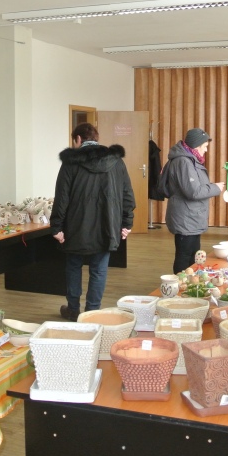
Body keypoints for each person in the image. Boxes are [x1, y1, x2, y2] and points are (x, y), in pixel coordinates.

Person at [50, 123, 135, 321]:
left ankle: (73, 310)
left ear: (78, 139)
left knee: (73, 267)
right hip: (107, 226)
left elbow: (62, 198)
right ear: (96, 138)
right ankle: (92, 312)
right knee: (99, 270)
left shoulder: (71, 162)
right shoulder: (116, 161)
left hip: (76, 227)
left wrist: (57, 227)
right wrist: (126, 224)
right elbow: (128, 196)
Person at [160, 128, 225, 273]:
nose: (206, 150)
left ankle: (189, 283)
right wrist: (215, 188)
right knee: (184, 257)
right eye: (205, 146)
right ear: (196, 146)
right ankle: (180, 284)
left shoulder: (189, 160)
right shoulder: (184, 162)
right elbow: (193, 191)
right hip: (186, 219)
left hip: (191, 217)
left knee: (192, 257)